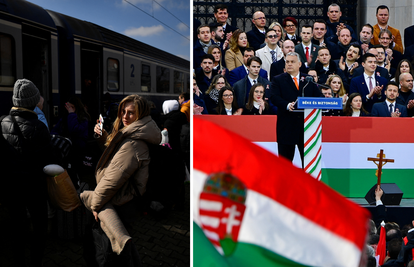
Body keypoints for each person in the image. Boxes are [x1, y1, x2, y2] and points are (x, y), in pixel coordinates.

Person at [83, 95, 161, 261]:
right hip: (124, 201)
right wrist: (103, 137)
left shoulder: (133, 144)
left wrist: (95, 205)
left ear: (140, 115)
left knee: (107, 254)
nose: (125, 116)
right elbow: (117, 158)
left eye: (131, 113)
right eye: (123, 111)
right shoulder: (136, 134)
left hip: (118, 204)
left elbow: (111, 181)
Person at [1, 79, 52, 266]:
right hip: (34, 188)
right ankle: (36, 261)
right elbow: (49, 162)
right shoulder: (40, 128)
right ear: (33, 102)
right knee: (39, 226)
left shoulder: (2, 123)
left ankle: (19, 260)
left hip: (12, 187)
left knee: (17, 227)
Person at [269, 52, 321, 167]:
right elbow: (274, 97)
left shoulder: (308, 79)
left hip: (306, 128)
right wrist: (287, 105)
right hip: (286, 128)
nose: (289, 64)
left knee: (308, 164)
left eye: (292, 62)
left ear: (299, 64)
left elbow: (319, 98)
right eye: (287, 62)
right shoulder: (278, 80)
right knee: (285, 165)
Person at [51, 96, 91, 185]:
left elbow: (74, 130)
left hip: (77, 152)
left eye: (71, 107)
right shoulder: (66, 118)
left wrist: (71, 114)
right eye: (68, 107)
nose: (69, 109)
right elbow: (55, 131)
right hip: (66, 152)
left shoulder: (83, 119)